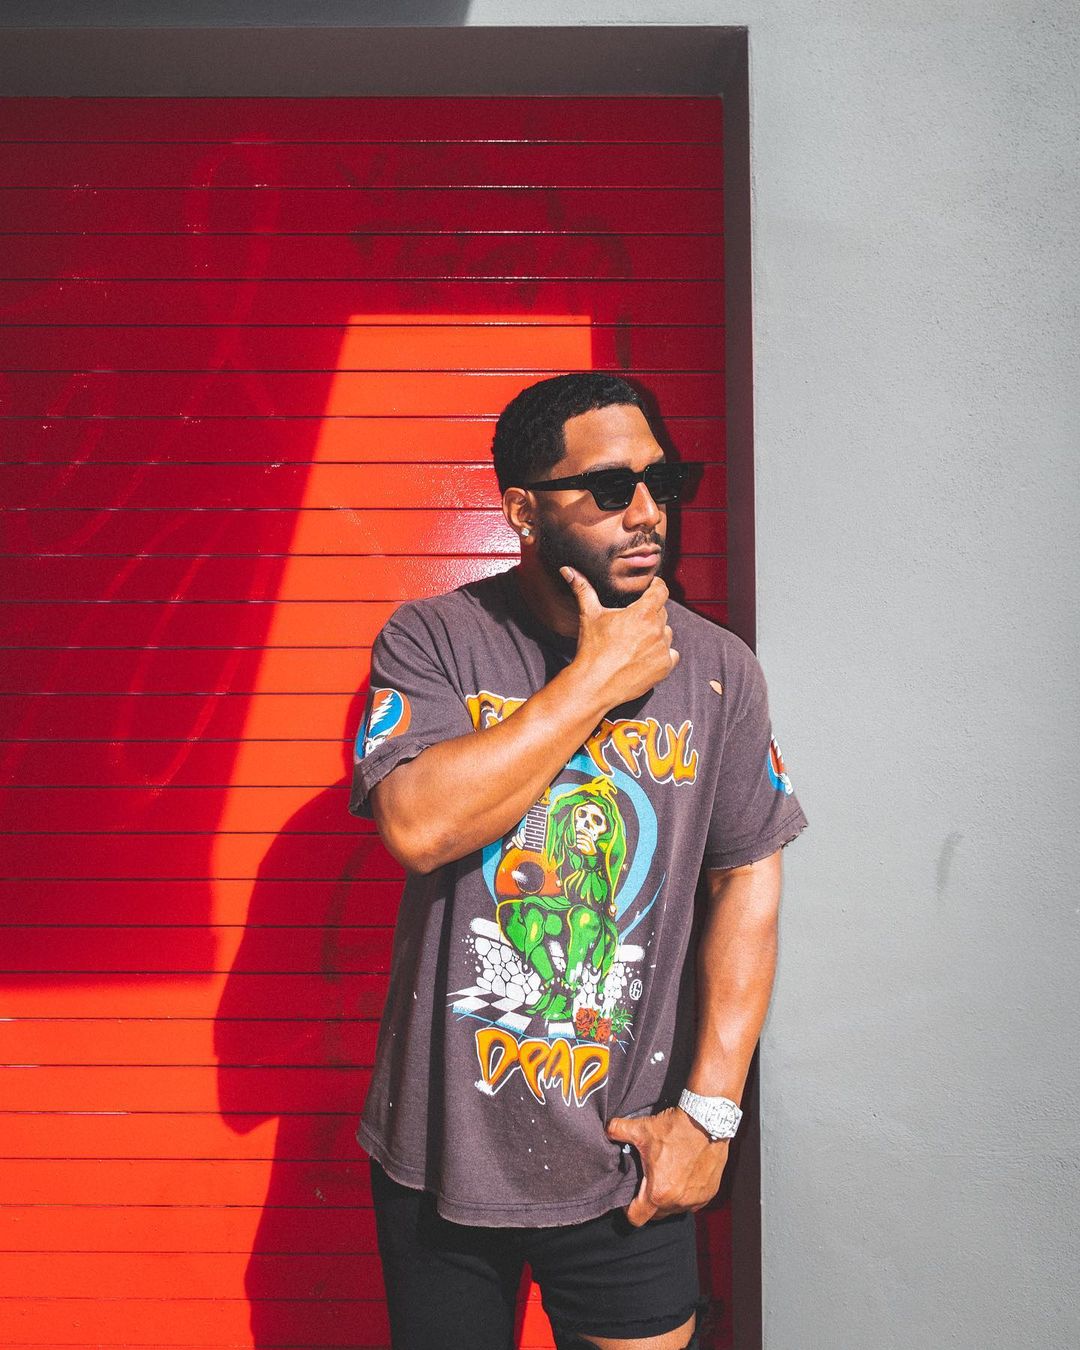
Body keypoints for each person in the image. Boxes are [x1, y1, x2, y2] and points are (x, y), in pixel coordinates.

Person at [349, 373, 808, 1350]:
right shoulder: (435, 640)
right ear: (522, 510)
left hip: (628, 1158)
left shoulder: (720, 669)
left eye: (660, 482)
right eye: (607, 488)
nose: (646, 514)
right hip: (440, 1152)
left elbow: (747, 877)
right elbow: (418, 826)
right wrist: (596, 680)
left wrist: (712, 1117)